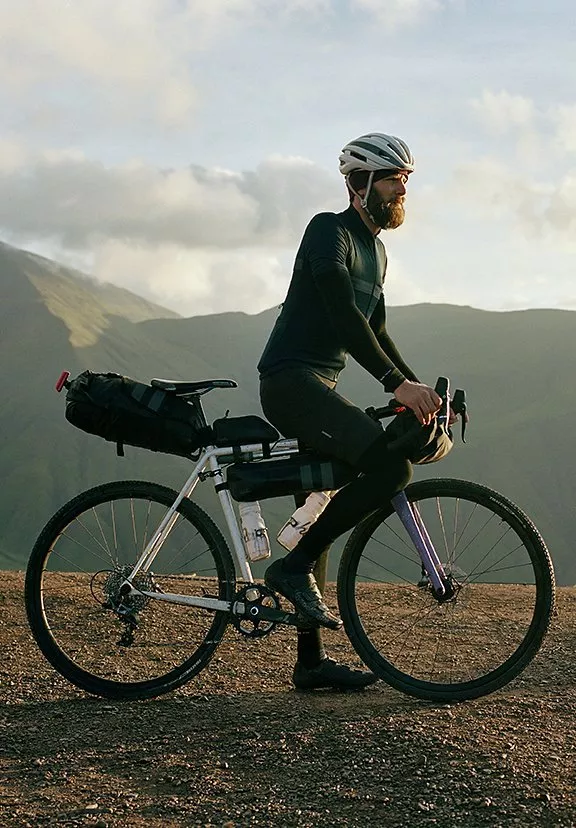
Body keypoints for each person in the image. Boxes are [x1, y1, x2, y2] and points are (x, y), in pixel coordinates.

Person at [257, 132, 443, 691]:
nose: (401, 189)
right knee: (391, 468)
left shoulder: (378, 250)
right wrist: (393, 383)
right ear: (359, 185)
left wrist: (415, 387)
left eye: (406, 180)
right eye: (392, 179)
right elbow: (342, 314)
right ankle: (290, 569)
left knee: (315, 509)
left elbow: (376, 327)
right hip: (291, 382)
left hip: (322, 386)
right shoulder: (328, 231)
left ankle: (309, 663)